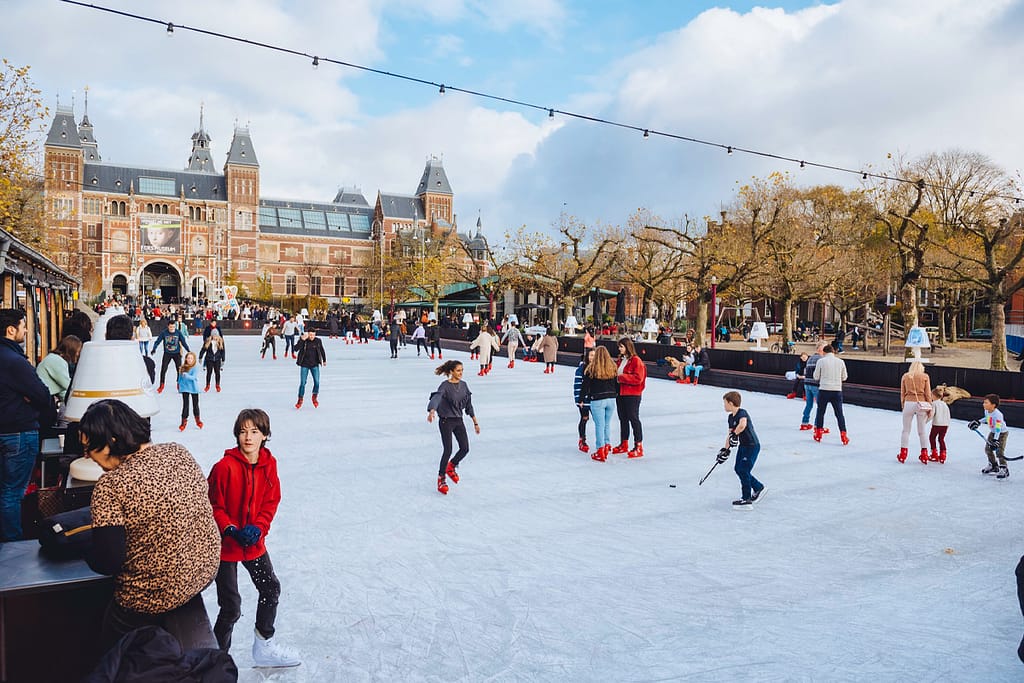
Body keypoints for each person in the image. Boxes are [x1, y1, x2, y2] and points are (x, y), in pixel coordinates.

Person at [80, 399, 220, 649]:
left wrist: (85, 549)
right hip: (203, 572)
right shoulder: (178, 452)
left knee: (104, 639)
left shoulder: (111, 485)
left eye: (89, 447)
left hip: (151, 596)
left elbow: (109, 561)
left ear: (111, 440)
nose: (87, 456)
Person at [208, 409, 301, 668]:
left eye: (254, 431)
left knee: (270, 588)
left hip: (253, 542)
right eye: (243, 431)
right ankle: (216, 661)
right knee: (231, 607)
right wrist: (230, 529)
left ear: (265, 435)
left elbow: (271, 501)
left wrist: (259, 528)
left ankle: (264, 646)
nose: (248, 437)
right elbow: (212, 505)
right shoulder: (224, 467)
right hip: (226, 546)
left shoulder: (269, 465)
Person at [0, 308, 57, 541]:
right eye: (23, 326)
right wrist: (28, 398)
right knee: (12, 492)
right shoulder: (15, 361)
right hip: (18, 432)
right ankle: (12, 543)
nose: (25, 331)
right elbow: (42, 395)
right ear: (10, 330)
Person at [427, 360, 479, 495]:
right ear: (451, 372)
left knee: (465, 448)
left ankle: (451, 466)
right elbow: (437, 398)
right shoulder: (445, 385)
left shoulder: (464, 385)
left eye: (462, 370)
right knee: (448, 449)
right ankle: (441, 478)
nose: (461, 373)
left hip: (458, 420)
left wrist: (475, 422)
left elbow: (469, 405)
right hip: (446, 421)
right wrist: (432, 410)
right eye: (458, 370)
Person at [717, 391, 765, 507]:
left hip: (752, 446)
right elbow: (730, 435)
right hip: (743, 446)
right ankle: (758, 487)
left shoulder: (742, 413)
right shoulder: (730, 417)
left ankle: (746, 498)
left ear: (731, 403)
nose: (724, 406)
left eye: (725, 403)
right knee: (738, 469)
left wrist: (735, 434)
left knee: (743, 470)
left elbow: (742, 425)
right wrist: (725, 450)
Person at [579, 347, 618, 462]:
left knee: (599, 425)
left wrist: (581, 399)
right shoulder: (612, 367)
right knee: (607, 423)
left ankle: (600, 450)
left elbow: (585, 386)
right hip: (611, 399)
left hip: (598, 400)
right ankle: (607, 444)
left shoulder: (592, 368)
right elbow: (617, 384)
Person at [612, 336, 647, 458]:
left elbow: (638, 378)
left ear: (627, 347)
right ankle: (624, 443)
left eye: (621, 347)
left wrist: (621, 378)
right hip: (620, 393)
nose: (619, 349)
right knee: (623, 418)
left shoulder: (636, 361)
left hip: (632, 394)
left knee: (633, 418)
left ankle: (638, 445)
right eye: (619, 347)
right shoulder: (621, 360)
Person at [812, 344, 849, 444]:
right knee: (839, 413)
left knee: (820, 412)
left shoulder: (821, 361)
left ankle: (818, 434)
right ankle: (843, 434)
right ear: (833, 352)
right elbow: (844, 377)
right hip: (836, 390)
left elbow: (816, 376)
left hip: (824, 389)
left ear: (824, 352)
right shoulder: (840, 362)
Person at [897, 361, 932, 464]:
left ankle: (903, 454)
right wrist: (930, 406)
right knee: (922, 431)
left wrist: (903, 405)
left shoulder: (905, 376)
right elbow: (928, 393)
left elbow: (902, 393)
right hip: (921, 403)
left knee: (906, 430)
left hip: (908, 402)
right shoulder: (925, 376)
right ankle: (924, 454)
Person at [970, 393, 1009, 479]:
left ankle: (1004, 468)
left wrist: (995, 440)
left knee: (999, 451)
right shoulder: (987, 411)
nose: (983, 404)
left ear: (993, 405)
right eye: (984, 402)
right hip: (993, 432)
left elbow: (998, 428)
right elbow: (987, 418)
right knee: (988, 449)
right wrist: (978, 422)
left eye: (986, 403)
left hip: (1001, 433)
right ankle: (993, 465)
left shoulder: (998, 415)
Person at [36, 334, 82, 403]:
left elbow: (62, 389)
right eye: (78, 351)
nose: (78, 354)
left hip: (43, 396)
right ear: (72, 350)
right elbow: (68, 385)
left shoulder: (55, 358)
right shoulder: (57, 361)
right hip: (44, 398)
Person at [150, 319, 190, 393]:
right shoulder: (164, 333)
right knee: (163, 369)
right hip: (167, 353)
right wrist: (154, 349)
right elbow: (157, 341)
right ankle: (161, 385)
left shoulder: (178, 332)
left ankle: (179, 384)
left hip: (177, 354)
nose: (172, 329)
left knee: (179, 370)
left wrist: (188, 350)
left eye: (173, 327)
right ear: (168, 326)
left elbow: (183, 342)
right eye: (171, 327)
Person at [294, 328, 326, 409]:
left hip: (314, 365)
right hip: (304, 364)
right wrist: (302, 340)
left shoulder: (318, 341)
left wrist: (324, 360)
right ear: (308, 334)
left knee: (317, 382)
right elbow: (295, 349)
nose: (312, 336)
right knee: (303, 383)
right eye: (310, 335)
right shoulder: (303, 340)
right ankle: (300, 399)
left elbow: (322, 350)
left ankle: (314, 396)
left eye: (313, 335)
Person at [573, 349, 596, 453]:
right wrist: (579, 400)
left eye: (594, 355)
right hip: (584, 400)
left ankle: (602, 441)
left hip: (595, 400)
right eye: (591, 355)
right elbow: (577, 385)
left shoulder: (598, 368)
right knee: (584, 418)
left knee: (598, 420)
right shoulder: (581, 369)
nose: (592, 358)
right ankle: (582, 440)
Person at [177, 352, 203, 430]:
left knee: (195, 405)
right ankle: (183, 421)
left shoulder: (195, 368)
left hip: (193, 388)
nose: (189, 360)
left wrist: (186, 375)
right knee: (185, 405)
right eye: (188, 358)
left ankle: (198, 420)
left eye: (191, 358)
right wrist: (178, 384)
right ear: (186, 359)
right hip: (185, 388)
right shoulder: (182, 367)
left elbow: (193, 377)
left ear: (194, 359)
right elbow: (179, 377)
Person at [927, 386, 951, 463]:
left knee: (932, 438)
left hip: (937, 424)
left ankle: (934, 454)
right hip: (945, 425)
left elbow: (932, 414)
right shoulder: (944, 404)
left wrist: (925, 421)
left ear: (934, 396)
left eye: (931, 395)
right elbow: (948, 415)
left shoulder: (934, 404)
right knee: (941, 439)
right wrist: (947, 423)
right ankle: (943, 454)